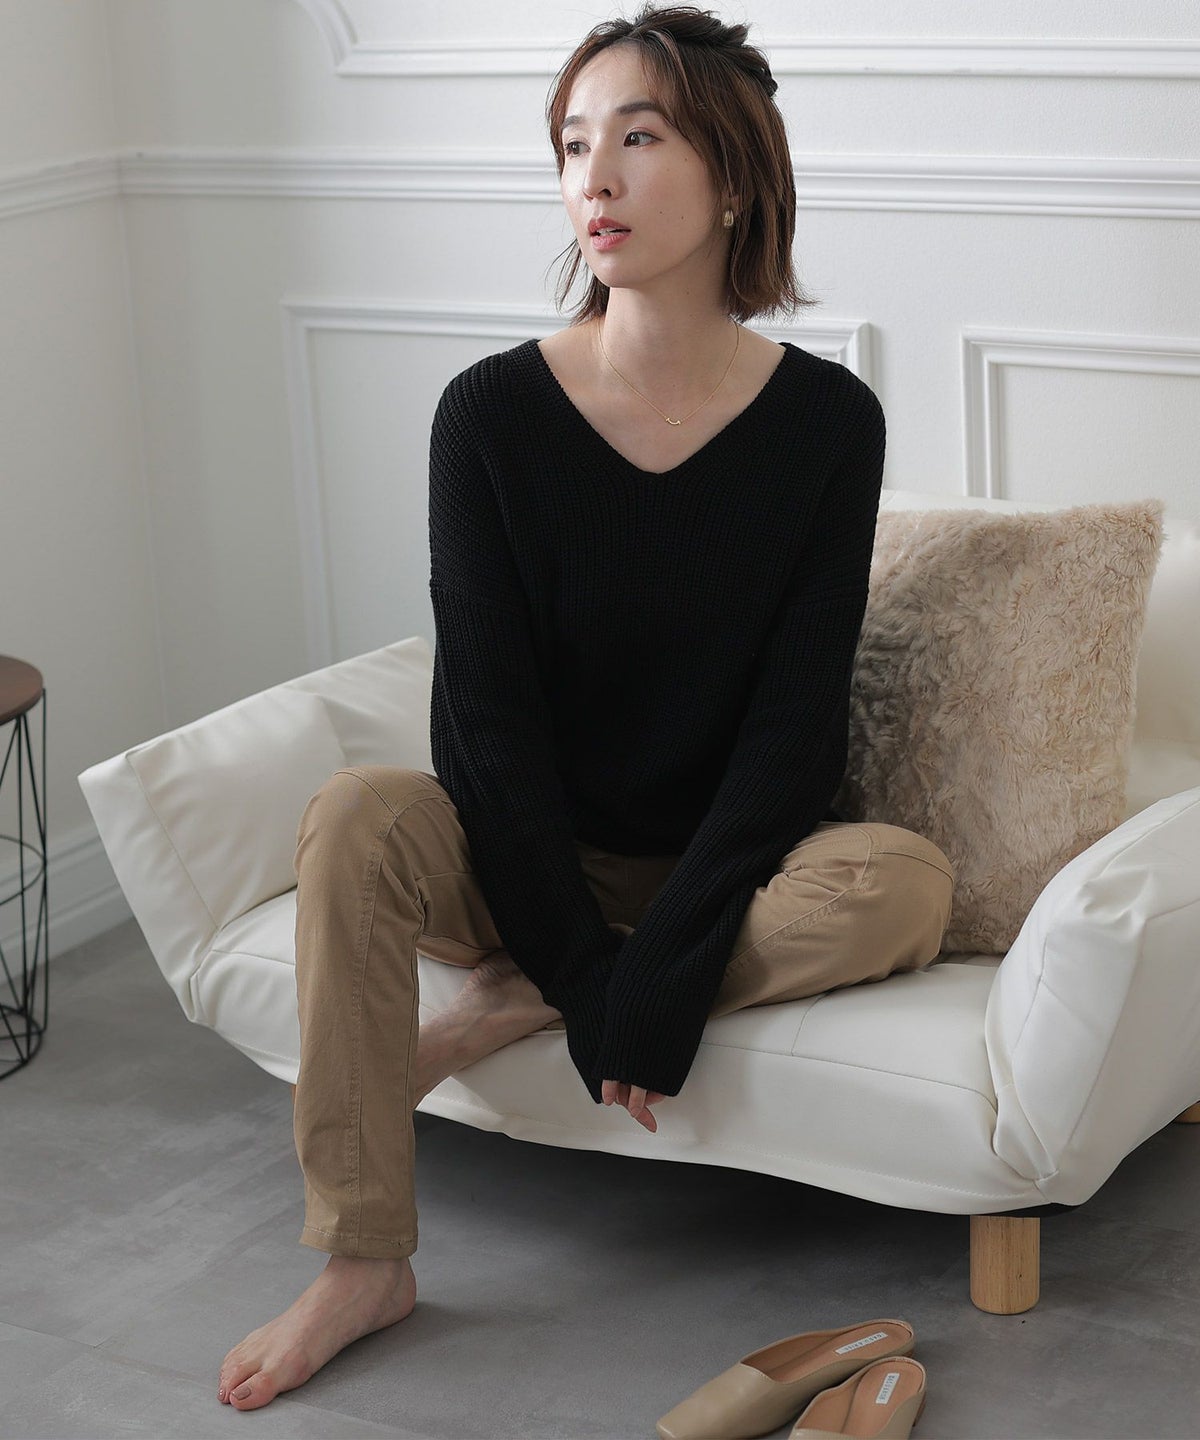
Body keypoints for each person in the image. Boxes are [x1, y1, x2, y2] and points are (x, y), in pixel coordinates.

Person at [218, 3, 954, 1413]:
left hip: (722, 873)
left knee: (905, 884)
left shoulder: (826, 424)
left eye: (640, 137)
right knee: (356, 815)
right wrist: (582, 959)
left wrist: (650, 974)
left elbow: (792, 734)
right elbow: (484, 734)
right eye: (572, 145)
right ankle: (364, 1261)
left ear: (733, 178)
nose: (594, 179)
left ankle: (517, 1007)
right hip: (516, 855)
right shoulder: (489, 415)